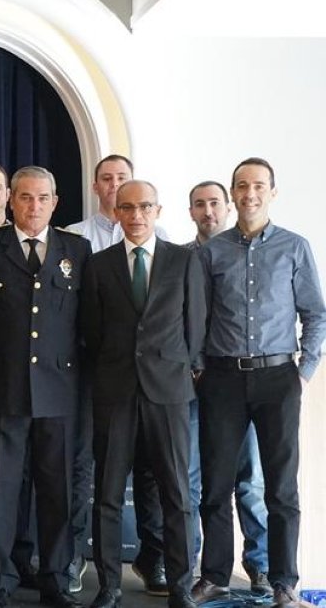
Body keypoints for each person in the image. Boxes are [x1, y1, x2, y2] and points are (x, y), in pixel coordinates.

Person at [193, 158, 326, 607]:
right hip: (223, 378)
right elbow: (198, 317)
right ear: (233, 194)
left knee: (281, 487)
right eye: (242, 186)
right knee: (216, 484)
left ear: (272, 191)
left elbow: (315, 313)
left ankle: (283, 582)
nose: (250, 193)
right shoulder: (212, 252)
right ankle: (213, 575)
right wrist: (199, 367)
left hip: (277, 378)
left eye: (258, 186)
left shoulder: (294, 247)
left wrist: (303, 370)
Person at [80, 180, 205, 608]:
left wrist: (181, 372)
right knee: (109, 494)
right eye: (127, 207)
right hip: (115, 391)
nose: (135, 215)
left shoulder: (183, 262)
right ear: (116, 211)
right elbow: (91, 333)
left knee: (176, 495)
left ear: (158, 210)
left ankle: (181, 586)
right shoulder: (98, 265)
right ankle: (110, 585)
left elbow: (196, 328)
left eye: (144, 207)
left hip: (168, 391)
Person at [0, 166, 90, 608]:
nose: (34, 206)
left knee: (57, 491)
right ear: (11, 201)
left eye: (43, 198)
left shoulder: (76, 251)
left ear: (55, 202)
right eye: (25, 197)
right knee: (2, 489)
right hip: (2, 387)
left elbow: (88, 324)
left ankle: (56, 578)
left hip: (60, 391)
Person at [66, 155, 167, 594]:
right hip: (98, 378)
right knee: (89, 473)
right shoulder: (75, 238)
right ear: (96, 186)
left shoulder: (165, 244)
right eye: (106, 180)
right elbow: (85, 320)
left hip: (156, 383)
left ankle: (154, 560)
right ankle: (77, 560)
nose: (114, 187)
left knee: (153, 476)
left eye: (121, 179)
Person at [184, 180, 270, 593]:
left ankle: (261, 566)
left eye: (214, 203)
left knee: (250, 479)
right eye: (199, 205)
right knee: (196, 480)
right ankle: (200, 567)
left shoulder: (248, 254)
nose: (208, 212)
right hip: (195, 386)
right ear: (190, 212)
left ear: (229, 205)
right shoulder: (181, 259)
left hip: (244, 384)